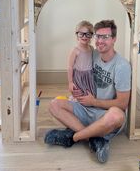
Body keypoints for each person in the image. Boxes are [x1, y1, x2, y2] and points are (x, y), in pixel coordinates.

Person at [44, 20, 131, 163]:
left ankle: (73, 137)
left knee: (117, 116)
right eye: (98, 36)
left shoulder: (122, 66)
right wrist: (74, 89)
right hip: (85, 108)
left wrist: (94, 101)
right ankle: (95, 138)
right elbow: (76, 66)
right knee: (54, 104)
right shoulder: (93, 53)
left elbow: (122, 104)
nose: (100, 41)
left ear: (114, 39)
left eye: (105, 37)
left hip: (104, 115)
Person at [67, 20, 95, 100]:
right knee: (79, 93)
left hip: (89, 75)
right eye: (81, 34)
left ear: (91, 36)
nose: (84, 37)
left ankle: (89, 105)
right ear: (77, 35)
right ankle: (77, 104)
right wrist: (70, 82)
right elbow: (70, 67)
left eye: (88, 34)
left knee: (89, 92)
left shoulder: (91, 48)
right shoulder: (75, 50)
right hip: (79, 76)